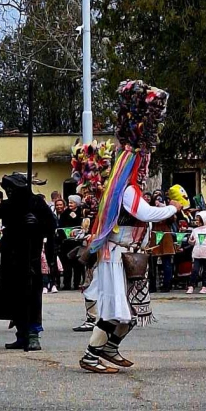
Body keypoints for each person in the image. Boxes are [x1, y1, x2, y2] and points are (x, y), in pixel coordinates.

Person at [79, 80, 179, 374]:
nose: (146, 166)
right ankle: (91, 354)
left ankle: (109, 348)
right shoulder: (128, 190)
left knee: (132, 311)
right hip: (116, 256)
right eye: (143, 162)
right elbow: (144, 212)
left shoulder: (126, 187)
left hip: (126, 257)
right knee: (115, 311)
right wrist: (174, 208)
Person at [0, 173, 57, 351]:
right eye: (8, 189)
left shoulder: (36, 203)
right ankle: (21, 334)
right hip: (11, 256)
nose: (10, 192)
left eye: (13, 188)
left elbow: (52, 225)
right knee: (14, 297)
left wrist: (37, 224)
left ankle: (33, 334)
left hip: (30, 257)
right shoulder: (6, 205)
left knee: (31, 297)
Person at [57, 195, 85, 291]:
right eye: (69, 202)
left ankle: (76, 283)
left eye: (72, 202)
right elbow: (60, 226)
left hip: (77, 243)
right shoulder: (65, 213)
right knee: (66, 265)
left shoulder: (82, 213)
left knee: (77, 264)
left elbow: (84, 226)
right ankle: (66, 284)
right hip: (67, 243)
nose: (70, 204)